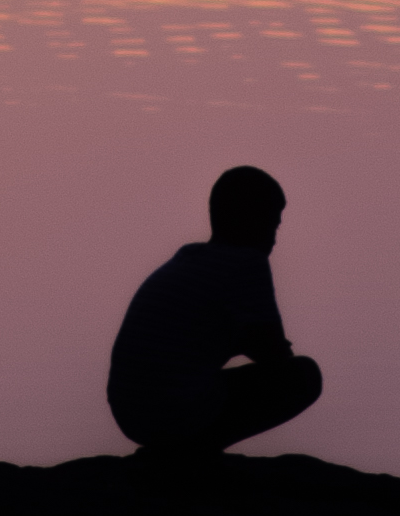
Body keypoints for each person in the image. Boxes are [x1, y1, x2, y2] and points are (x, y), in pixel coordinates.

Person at [107, 166, 321, 456]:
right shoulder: (246, 264)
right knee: (303, 377)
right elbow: (274, 356)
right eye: (271, 225)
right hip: (170, 415)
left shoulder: (187, 260)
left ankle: (183, 446)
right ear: (250, 221)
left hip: (131, 416)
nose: (273, 239)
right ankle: (196, 452)